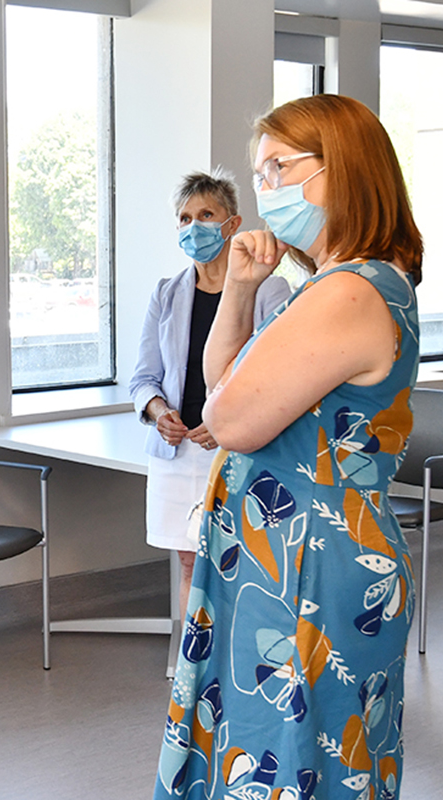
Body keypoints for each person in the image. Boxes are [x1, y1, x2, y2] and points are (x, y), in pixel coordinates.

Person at [154, 94, 422, 800]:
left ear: (347, 167)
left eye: (279, 166)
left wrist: (223, 402)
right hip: (282, 555)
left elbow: (232, 419)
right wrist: (241, 288)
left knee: (296, 762)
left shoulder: (350, 291)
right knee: (276, 752)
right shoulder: (328, 284)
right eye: (259, 170)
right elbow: (224, 382)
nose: (266, 186)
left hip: (308, 563)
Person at [130, 170, 290, 620]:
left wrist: (229, 423)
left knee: (240, 564)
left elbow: (277, 376)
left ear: (232, 223)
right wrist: (159, 411)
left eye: (205, 214)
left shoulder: (268, 288)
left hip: (238, 449)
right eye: (184, 218)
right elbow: (144, 378)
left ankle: (235, 668)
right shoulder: (166, 293)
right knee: (188, 561)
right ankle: (194, 666)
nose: (192, 226)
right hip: (178, 451)